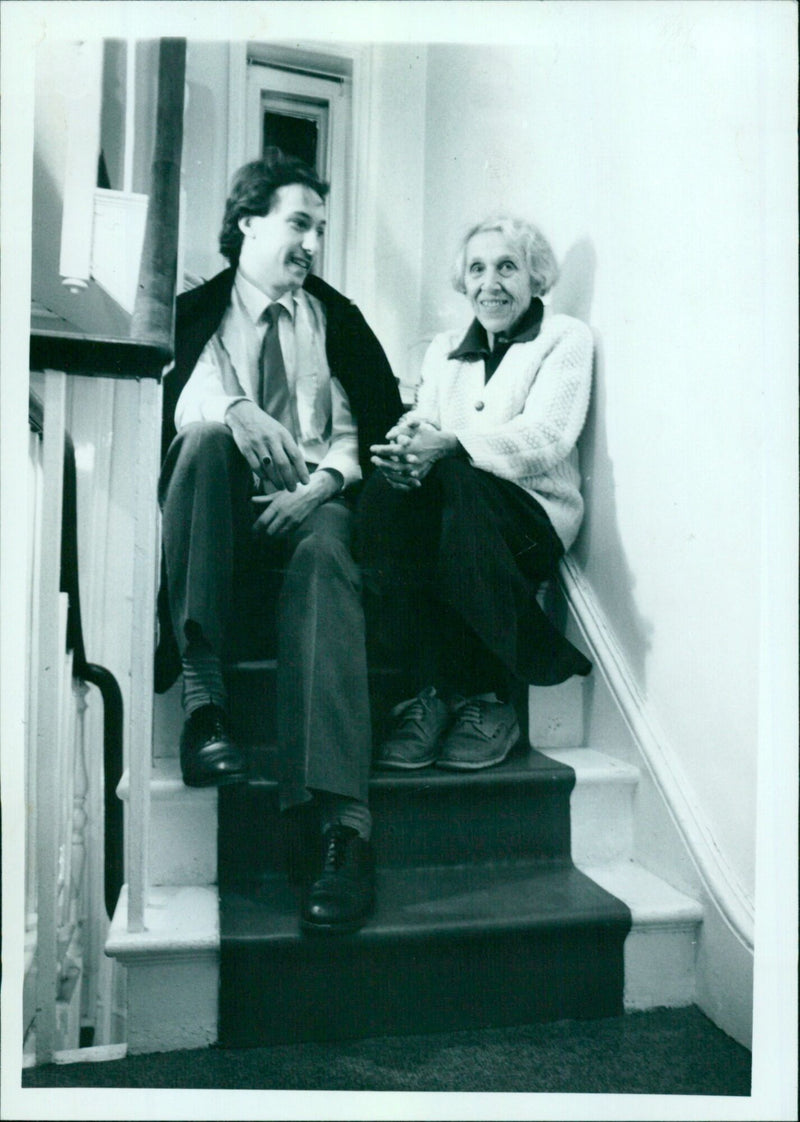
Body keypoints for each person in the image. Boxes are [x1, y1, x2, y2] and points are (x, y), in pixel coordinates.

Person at [156, 149, 402, 933]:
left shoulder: (334, 317)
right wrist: (233, 407)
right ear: (247, 222)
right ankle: (205, 708)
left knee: (331, 554)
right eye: (300, 223)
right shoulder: (194, 313)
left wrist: (320, 487)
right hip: (221, 508)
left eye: (320, 229)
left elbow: (357, 430)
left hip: (310, 501)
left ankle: (340, 827)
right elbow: (169, 403)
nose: (312, 244)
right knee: (199, 444)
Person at [356, 215, 593, 772]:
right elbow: (426, 419)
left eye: (507, 267)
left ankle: (492, 698)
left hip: (535, 518)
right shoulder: (444, 349)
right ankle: (432, 695)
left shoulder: (564, 338)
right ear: (463, 282)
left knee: (458, 483)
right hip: (466, 513)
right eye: (477, 269)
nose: (491, 283)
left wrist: (450, 446)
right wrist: (406, 449)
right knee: (384, 496)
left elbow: (548, 437)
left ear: (536, 276)